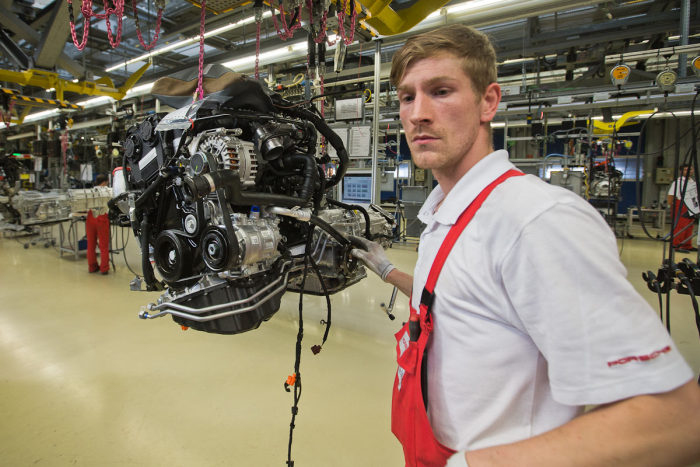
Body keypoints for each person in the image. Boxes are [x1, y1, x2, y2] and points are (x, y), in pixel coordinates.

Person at [350, 24, 700, 467]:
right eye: (407, 97)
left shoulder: (535, 221)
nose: (418, 113)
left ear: (489, 102)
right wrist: (386, 270)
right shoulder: (447, 214)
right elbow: (457, 302)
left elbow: (673, 418)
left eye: (440, 91)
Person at [667, 164, 698, 252]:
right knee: (680, 226)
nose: (689, 171)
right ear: (681, 171)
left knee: (689, 226)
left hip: (692, 205)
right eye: (686, 170)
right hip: (681, 205)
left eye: (690, 169)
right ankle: (676, 245)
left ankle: (687, 245)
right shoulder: (678, 182)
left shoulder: (693, 182)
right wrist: (671, 206)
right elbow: (670, 195)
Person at [86, 173, 110, 274]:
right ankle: (104, 268)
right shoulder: (106, 191)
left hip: (90, 218)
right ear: (104, 182)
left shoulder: (90, 191)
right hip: (102, 217)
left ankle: (92, 267)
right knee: (103, 245)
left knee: (91, 244)